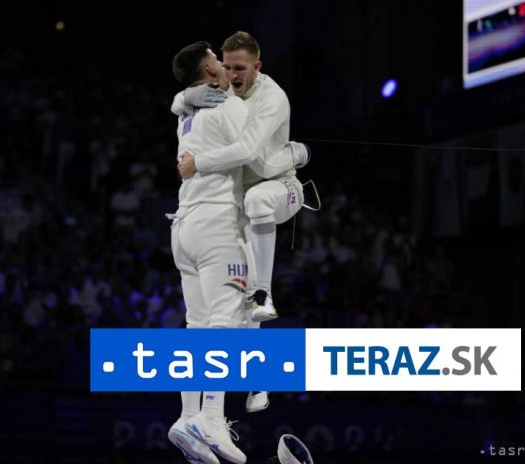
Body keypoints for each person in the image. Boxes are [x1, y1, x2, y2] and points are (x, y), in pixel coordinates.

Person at [173, 31, 309, 414]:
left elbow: (254, 157)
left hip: (278, 186)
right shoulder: (220, 95)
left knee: (256, 203)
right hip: (235, 208)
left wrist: (296, 155)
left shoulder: (271, 98)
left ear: (257, 66)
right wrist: (183, 98)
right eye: (226, 66)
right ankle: (253, 383)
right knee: (238, 304)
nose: (232, 75)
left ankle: (266, 292)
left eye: (239, 68)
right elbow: (182, 99)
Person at [167, 40, 251, 464]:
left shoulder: (186, 111)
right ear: (208, 70)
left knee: (198, 326)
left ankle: (187, 418)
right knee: (226, 322)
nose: (223, 63)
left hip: (184, 228)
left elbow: (179, 101)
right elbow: (255, 150)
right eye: (216, 59)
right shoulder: (226, 106)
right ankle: (212, 419)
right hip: (217, 225)